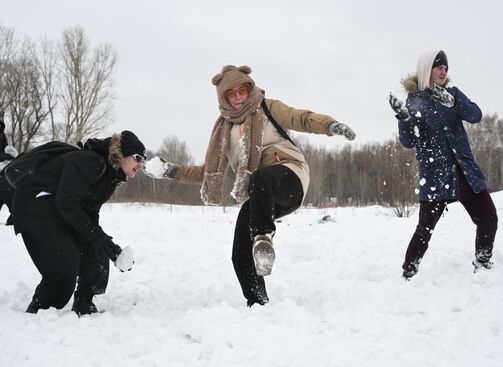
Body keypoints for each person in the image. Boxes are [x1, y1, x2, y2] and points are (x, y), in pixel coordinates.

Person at [146, 65, 356, 306]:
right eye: (230, 93)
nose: (237, 97)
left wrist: (330, 125)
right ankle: (258, 303)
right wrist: (171, 171)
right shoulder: (223, 131)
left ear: (249, 89)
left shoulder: (267, 107)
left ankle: (263, 236)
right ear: (223, 97)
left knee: (261, 178)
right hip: (260, 197)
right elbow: (207, 172)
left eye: (241, 91)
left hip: (290, 175)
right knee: (240, 254)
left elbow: (301, 118)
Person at [10, 130, 146, 315]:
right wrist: (99, 239)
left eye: (143, 161)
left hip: (57, 210)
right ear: (123, 153)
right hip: (34, 208)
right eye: (138, 158)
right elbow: (66, 203)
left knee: (95, 248)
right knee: (64, 266)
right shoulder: (91, 162)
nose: (140, 165)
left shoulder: (110, 176)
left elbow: (89, 213)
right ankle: (39, 312)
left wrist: (108, 247)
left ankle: (84, 302)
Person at [388, 50, 498, 279]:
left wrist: (455, 103)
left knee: (488, 217)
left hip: (464, 172)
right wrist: (404, 118)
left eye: (445, 68)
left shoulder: (452, 93)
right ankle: (408, 273)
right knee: (424, 230)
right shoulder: (414, 102)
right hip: (435, 175)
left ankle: (483, 262)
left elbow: (476, 115)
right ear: (427, 70)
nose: (443, 71)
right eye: (439, 67)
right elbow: (409, 141)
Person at [0, 119, 18, 225]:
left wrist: (9, 154)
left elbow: (5, 147)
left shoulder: (2, 135)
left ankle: (13, 220)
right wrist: (6, 156)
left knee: (10, 199)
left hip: (4, 176)